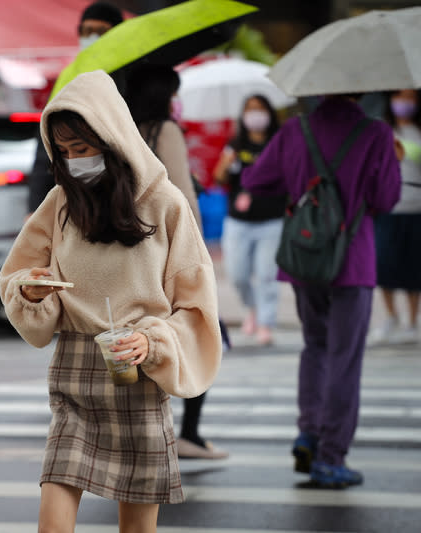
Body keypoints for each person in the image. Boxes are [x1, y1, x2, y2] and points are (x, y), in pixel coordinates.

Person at [0, 70, 222, 531]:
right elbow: (16, 274)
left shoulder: (165, 204)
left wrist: (154, 342)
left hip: (135, 372)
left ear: (112, 136)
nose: (74, 161)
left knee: (136, 525)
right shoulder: (61, 202)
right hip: (75, 369)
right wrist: (32, 289)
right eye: (63, 152)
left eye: (82, 148)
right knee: (54, 505)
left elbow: (196, 304)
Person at [242, 93, 401, 488]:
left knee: (315, 346)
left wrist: (300, 177)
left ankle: (308, 432)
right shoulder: (377, 132)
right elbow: (385, 198)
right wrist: (389, 161)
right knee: (344, 356)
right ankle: (331, 456)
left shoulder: (296, 129)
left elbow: (257, 180)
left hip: (305, 255)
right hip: (353, 259)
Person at [125, 64, 228, 461]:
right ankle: (189, 433)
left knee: (144, 340)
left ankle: (146, 431)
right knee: (197, 336)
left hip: (133, 252)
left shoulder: (120, 130)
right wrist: (200, 257)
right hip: (170, 251)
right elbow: (183, 198)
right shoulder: (164, 131)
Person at [26, 2, 124, 214]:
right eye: (86, 31)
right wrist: (34, 206)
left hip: (121, 193)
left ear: (117, 33)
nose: (92, 37)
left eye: (100, 31)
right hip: (76, 195)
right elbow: (45, 148)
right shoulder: (70, 76)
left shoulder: (130, 77)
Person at [213, 94, 284, 346]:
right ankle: (251, 307)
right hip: (238, 221)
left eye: (260, 109)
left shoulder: (278, 143)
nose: (255, 115)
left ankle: (266, 323)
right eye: (250, 110)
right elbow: (219, 177)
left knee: (267, 274)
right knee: (238, 275)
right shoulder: (235, 144)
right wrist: (225, 163)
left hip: (272, 220)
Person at [368, 89, 421, 346]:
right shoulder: (382, 130)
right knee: (384, 264)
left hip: (416, 210)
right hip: (388, 209)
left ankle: (413, 321)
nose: (404, 103)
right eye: (399, 97)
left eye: (409, 97)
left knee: (414, 267)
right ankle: (391, 316)